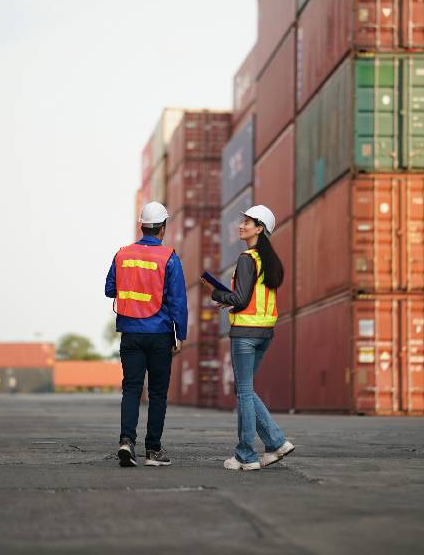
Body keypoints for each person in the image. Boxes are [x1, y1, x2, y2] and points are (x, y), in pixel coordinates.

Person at [201, 205, 294, 471]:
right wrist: (229, 299)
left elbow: (240, 300)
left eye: (247, 222)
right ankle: (272, 444)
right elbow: (251, 298)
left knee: (243, 391)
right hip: (265, 332)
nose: (241, 225)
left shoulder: (246, 258)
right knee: (245, 391)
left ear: (259, 229)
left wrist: (216, 293)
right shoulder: (269, 260)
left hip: (245, 333)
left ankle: (249, 454)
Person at [105, 201, 187, 468]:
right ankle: (153, 450)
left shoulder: (122, 255)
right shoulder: (169, 258)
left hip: (130, 332)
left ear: (141, 226)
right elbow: (178, 302)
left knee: (131, 388)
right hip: (160, 333)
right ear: (163, 228)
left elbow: (109, 289)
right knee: (158, 394)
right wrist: (180, 334)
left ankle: (126, 441)